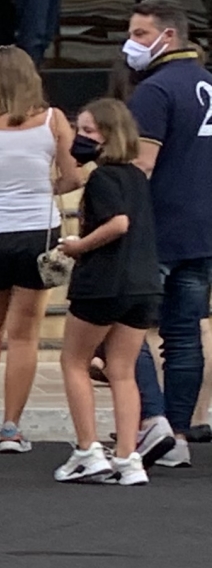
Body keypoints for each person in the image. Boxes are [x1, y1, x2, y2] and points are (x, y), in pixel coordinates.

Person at [0, 46, 79, 453]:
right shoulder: (53, 120)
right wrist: (44, 187)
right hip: (37, 233)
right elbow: (72, 175)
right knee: (24, 335)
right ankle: (11, 427)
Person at [120, 0, 212, 466]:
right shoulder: (208, 85)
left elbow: (143, 165)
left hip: (158, 227)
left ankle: (153, 419)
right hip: (201, 228)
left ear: (168, 36)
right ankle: (176, 434)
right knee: (183, 334)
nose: (131, 44)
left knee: (126, 326)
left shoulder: (154, 92)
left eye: (139, 34)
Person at [53, 97, 162, 486]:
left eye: (87, 131)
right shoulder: (137, 176)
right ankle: (129, 457)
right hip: (144, 283)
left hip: (103, 283)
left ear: (108, 136)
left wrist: (77, 247)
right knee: (122, 370)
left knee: (74, 362)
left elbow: (118, 223)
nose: (79, 139)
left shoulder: (102, 178)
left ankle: (88, 449)